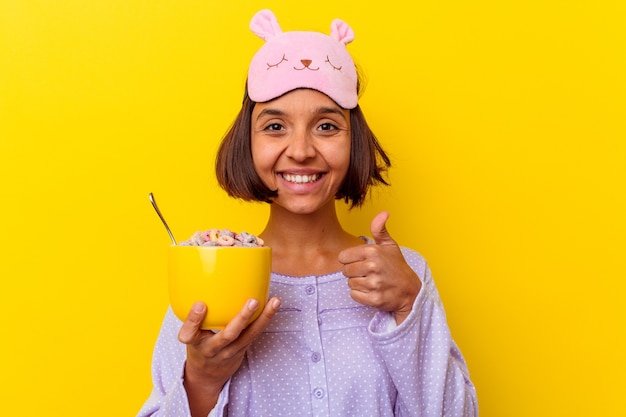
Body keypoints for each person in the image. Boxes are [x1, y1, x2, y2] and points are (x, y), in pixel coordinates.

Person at [138, 9, 478, 417]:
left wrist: (408, 306)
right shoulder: (208, 275)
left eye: (327, 127)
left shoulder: (406, 278)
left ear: (355, 143)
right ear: (247, 143)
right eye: (275, 127)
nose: (300, 150)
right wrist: (202, 381)